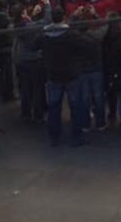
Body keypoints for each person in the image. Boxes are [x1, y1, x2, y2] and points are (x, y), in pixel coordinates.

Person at [35, 8, 87, 146]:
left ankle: (54, 137)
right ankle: (77, 136)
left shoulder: (44, 34)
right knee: (75, 106)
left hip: (53, 74)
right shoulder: (71, 34)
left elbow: (34, 45)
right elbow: (84, 46)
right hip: (72, 73)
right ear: (64, 17)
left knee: (54, 107)